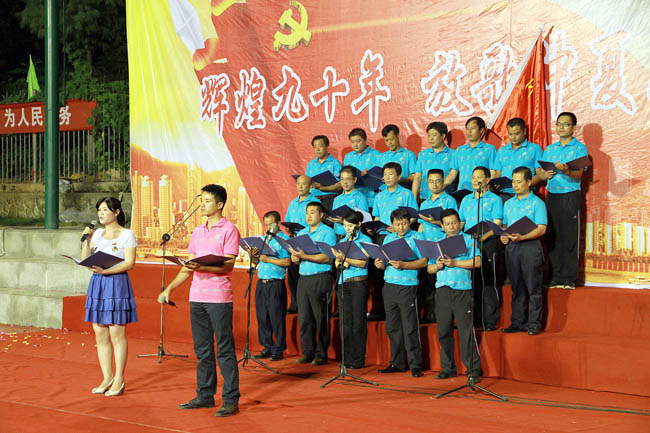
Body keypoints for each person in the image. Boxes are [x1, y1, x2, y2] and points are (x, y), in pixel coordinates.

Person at [158, 184, 240, 417]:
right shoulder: (197, 231)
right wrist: (169, 289)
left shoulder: (229, 229)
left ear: (219, 204)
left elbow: (228, 265)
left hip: (219, 297)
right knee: (202, 349)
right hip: (197, 296)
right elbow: (188, 267)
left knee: (224, 349)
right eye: (201, 200)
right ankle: (205, 395)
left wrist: (201, 267)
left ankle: (230, 399)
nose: (202, 205)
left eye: (206, 201)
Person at [82, 197, 137, 397]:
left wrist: (107, 271)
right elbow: (86, 260)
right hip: (98, 284)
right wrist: (87, 240)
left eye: (105, 209)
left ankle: (119, 378)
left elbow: (130, 263)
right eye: (99, 210)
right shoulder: (97, 233)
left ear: (117, 212)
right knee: (100, 333)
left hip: (116, 283)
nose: (101, 213)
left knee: (116, 334)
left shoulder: (126, 234)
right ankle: (107, 377)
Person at [534, 111, 588, 290]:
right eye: (559, 124)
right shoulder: (550, 149)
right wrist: (544, 174)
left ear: (573, 127)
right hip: (552, 195)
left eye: (566, 124)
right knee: (552, 236)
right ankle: (555, 276)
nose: (561, 127)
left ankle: (568, 278)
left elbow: (578, 174)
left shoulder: (580, 148)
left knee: (569, 236)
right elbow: (540, 172)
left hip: (570, 195)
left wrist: (566, 170)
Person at [428, 209, 482, 383]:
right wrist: (437, 266)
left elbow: (477, 262)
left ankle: (473, 369)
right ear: (442, 226)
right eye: (447, 224)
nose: (451, 226)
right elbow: (429, 268)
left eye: (454, 223)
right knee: (443, 330)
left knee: (465, 331)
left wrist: (455, 263)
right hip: (442, 289)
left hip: (462, 289)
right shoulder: (437, 243)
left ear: (459, 223)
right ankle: (448, 368)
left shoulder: (469, 239)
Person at [375, 208, 427, 377]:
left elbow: (424, 261)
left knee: (410, 326)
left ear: (409, 222)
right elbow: (384, 261)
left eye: (404, 223)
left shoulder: (417, 237)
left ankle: (415, 364)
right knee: (392, 327)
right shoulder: (388, 238)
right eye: (397, 224)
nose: (401, 227)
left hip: (408, 285)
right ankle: (397, 362)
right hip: (389, 284)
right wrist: (380, 264)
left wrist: (405, 265)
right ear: (392, 224)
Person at [500, 167, 547, 335]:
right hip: (512, 248)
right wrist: (503, 236)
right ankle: (517, 322)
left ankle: (534, 323)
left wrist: (523, 237)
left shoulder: (537, 203)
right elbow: (505, 226)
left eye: (519, 182)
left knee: (533, 287)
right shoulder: (508, 203)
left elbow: (542, 229)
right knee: (517, 286)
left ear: (529, 182)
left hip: (530, 247)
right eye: (513, 181)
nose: (515, 185)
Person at [290, 201, 336, 365]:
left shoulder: (327, 232)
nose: (308, 216)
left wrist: (304, 256)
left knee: (320, 317)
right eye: (307, 212)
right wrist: (295, 258)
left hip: (320, 277)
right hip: (303, 278)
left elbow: (327, 257)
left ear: (321, 215)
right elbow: (297, 257)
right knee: (305, 318)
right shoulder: (302, 233)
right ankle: (307, 352)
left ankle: (321, 353)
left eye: (312, 212)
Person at [459, 166, 503, 331]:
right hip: (469, 244)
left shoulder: (495, 199)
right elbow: (462, 223)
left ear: (487, 179)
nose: (475, 180)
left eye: (479, 177)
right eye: (473, 177)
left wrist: (484, 236)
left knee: (488, 281)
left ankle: (490, 320)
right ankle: (475, 318)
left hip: (487, 242)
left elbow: (497, 223)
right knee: (472, 281)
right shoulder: (466, 200)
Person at [248, 211, 290, 360]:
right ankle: (267, 346)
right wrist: (252, 255)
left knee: (276, 317)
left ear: (278, 224)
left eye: (270, 224)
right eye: (265, 224)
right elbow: (258, 262)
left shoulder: (285, 240)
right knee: (262, 316)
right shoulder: (265, 239)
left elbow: (287, 262)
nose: (267, 227)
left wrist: (269, 259)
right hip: (262, 282)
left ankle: (278, 349)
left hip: (275, 283)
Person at [417, 169, 458, 323]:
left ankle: (447, 317)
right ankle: (430, 314)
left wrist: (435, 222)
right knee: (428, 283)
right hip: (427, 246)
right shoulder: (425, 203)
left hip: (443, 245)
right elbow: (421, 225)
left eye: (438, 181)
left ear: (443, 182)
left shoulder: (449, 200)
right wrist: (418, 241)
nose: (434, 184)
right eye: (431, 181)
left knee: (444, 283)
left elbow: (454, 225)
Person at [332, 211, 371, 369]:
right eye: (345, 225)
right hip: (343, 282)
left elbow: (363, 262)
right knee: (345, 322)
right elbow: (336, 262)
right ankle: (346, 358)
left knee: (357, 321)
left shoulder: (365, 240)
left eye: (350, 225)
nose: (347, 228)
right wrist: (339, 261)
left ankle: (358, 358)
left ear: (359, 224)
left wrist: (346, 259)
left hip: (358, 282)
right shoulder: (343, 241)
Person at [285, 175, 321, 314]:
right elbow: (288, 220)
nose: (300, 187)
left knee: (304, 273)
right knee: (293, 273)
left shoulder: (314, 202)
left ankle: (306, 304)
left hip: (308, 241)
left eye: (304, 184)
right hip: (295, 239)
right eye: (298, 184)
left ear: (310, 186)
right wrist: (289, 229)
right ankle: (295, 303)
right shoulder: (293, 203)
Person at [493, 118, 543, 202]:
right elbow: (498, 174)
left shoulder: (534, 149)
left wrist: (525, 184)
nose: (513, 137)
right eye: (510, 134)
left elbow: (540, 174)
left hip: (525, 196)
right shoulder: (501, 151)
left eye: (516, 134)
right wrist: (494, 185)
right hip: (504, 196)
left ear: (524, 131)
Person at [445, 116, 497, 191]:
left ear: (481, 130)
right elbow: (453, 173)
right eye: (467, 128)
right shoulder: (460, 150)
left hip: (481, 192)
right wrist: (442, 186)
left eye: (472, 128)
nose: (469, 132)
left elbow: (493, 172)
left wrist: (489, 188)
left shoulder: (489, 149)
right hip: (462, 192)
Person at [412, 121, 456, 201]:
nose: (431, 138)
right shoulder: (423, 154)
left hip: (445, 198)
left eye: (434, 135)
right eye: (429, 135)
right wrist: (413, 199)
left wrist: (441, 188)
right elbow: (417, 177)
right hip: (425, 198)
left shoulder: (453, 154)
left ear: (443, 136)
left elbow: (453, 174)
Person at [372, 162, 418, 232]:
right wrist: (373, 228)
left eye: (390, 174)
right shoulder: (379, 196)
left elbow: (414, 217)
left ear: (399, 176)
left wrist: (399, 228)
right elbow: (377, 217)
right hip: (383, 233)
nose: (387, 178)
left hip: (402, 233)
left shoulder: (407, 194)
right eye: (385, 174)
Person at [343, 128, 382, 209]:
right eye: (352, 142)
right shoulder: (348, 157)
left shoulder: (377, 155)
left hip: (371, 199)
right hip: (352, 201)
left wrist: (369, 175)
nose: (355, 145)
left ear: (365, 140)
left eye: (358, 141)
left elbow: (381, 177)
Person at [329, 165, 369, 240]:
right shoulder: (337, 199)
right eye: (342, 179)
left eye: (348, 179)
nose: (345, 182)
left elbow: (363, 220)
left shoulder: (360, 197)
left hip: (354, 237)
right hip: (338, 236)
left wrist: (344, 221)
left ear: (355, 180)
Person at [305, 135, 342, 211]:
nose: (318, 149)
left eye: (320, 146)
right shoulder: (311, 164)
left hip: (330, 200)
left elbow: (340, 185)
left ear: (327, 146)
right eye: (315, 147)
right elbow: (307, 182)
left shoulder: (335, 163)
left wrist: (323, 188)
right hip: (313, 201)